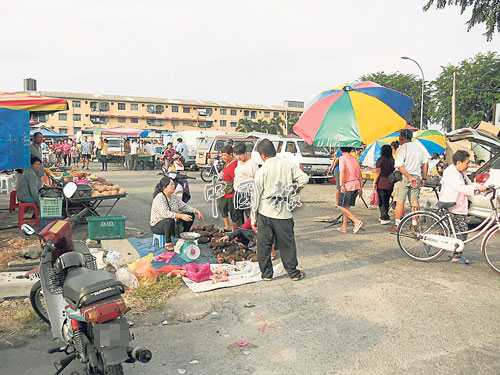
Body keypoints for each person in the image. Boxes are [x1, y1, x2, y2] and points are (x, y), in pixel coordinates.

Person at [251, 139, 309, 281]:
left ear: (263, 155)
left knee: (264, 244)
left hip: (265, 211)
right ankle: (293, 273)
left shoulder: (262, 170)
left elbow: (255, 197)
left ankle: (266, 274)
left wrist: (253, 218)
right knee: (287, 243)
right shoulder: (288, 165)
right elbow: (304, 178)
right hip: (283, 212)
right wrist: (293, 190)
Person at [439, 150, 487, 264]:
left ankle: (432, 242)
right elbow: (461, 188)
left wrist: (480, 187)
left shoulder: (460, 172)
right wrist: (476, 189)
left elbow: (469, 184)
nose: (468, 165)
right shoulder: (452, 173)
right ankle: (456, 257)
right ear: (459, 162)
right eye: (467, 163)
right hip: (452, 204)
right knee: (461, 232)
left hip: (457, 205)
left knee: (451, 230)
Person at [388, 129, 428, 232]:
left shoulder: (401, 149)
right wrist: (423, 178)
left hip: (404, 177)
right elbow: (425, 163)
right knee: (414, 201)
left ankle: (397, 225)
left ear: (402, 137)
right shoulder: (419, 148)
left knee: (400, 201)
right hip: (417, 176)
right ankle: (414, 225)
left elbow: (399, 166)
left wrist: (409, 177)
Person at [150, 176, 204, 250]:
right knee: (169, 220)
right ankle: (168, 242)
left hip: (172, 224)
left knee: (190, 215)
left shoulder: (174, 197)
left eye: (173, 184)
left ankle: (184, 236)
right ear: (164, 187)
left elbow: (184, 206)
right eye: (171, 185)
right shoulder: (160, 197)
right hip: (158, 225)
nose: (174, 186)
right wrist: (181, 216)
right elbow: (165, 213)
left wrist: (197, 211)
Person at [337, 147, 364, 233]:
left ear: (341, 150)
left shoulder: (342, 158)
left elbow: (342, 171)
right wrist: (360, 187)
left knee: (340, 206)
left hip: (347, 185)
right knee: (347, 207)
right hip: (356, 184)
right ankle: (344, 227)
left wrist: (341, 184)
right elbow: (360, 174)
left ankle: (356, 221)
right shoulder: (355, 159)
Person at [233, 143, 258, 226]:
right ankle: (241, 235)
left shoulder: (252, 163)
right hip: (237, 192)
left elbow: (257, 179)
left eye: (240, 155)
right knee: (238, 216)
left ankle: (250, 234)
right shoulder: (239, 162)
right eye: (236, 155)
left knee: (249, 216)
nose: (238, 157)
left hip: (248, 193)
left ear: (245, 153)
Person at [218, 145, 238, 232]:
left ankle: (235, 230)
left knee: (233, 211)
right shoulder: (227, 163)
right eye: (222, 155)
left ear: (231, 154)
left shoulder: (235, 164)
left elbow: (236, 179)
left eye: (225, 155)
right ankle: (227, 226)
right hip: (224, 190)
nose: (223, 157)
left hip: (232, 191)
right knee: (221, 207)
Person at [373, 145, 394, 225]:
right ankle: (385, 215)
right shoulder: (392, 160)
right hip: (390, 182)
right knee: (387, 199)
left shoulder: (380, 160)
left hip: (381, 182)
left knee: (382, 200)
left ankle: (384, 216)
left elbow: (378, 172)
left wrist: (374, 182)